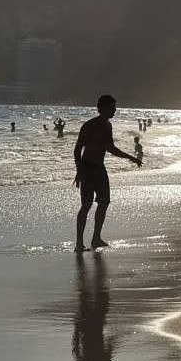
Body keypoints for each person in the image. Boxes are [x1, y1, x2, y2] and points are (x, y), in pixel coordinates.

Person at [73, 94, 142, 252]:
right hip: (89, 169)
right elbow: (78, 149)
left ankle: (95, 238)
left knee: (103, 202)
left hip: (98, 168)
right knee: (87, 205)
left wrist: (131, 158)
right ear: (102, 108)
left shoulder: (103, 125)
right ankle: (79, 243)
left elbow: (108, 148)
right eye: (112, 107)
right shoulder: (92, 125)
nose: (115, 110)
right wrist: (79, 170)